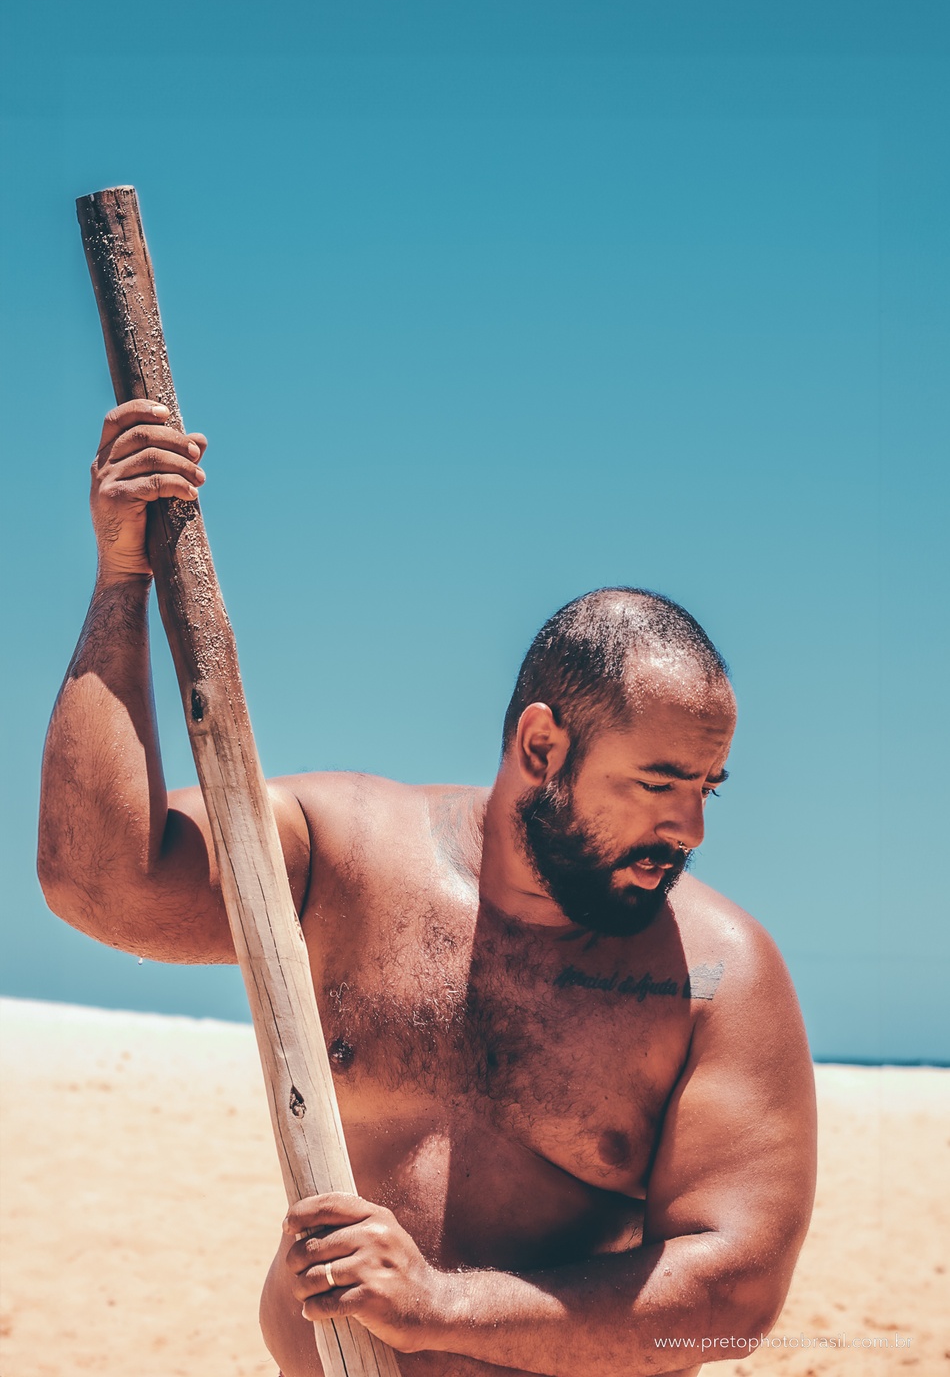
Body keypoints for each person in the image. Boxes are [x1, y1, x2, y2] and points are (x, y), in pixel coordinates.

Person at [38, 401, 818, 1377]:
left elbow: (732, 1295)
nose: (690, 830)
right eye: (658, 785)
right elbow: (97, 881)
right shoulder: (347, 858)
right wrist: (123, 578)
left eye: (707, 788)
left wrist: (440, 1307)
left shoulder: (717, 976)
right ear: (542, 746)